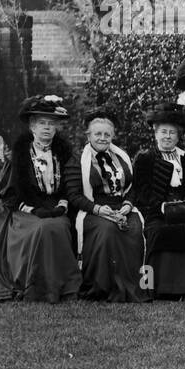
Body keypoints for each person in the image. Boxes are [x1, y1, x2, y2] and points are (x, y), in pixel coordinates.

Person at [0, 94, 81, 303]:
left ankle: (64, 286)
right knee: (41, 228)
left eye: (51, 124)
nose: (46, 128)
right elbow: (11, 195)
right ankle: (34, 286)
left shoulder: (64, 155)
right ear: (32, 127)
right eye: (41, 123)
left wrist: (62, 206)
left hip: (57, 208)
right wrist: (32, 210)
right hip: (25, 210)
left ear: (56, 127)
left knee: (55, 227)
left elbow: (70, 188)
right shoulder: (20, 156)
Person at [63, 110, 149, 302]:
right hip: (91, 210)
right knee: (108, 229)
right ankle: (103, 288)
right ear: (88, 136)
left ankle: (135, 288)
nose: (102, 138)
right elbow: (74, 196)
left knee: (135, 230)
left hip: (121, 206)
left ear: (112, 136)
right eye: (98, 134)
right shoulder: (77, 160)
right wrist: (99, 210)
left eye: (107, 135)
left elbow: (132, 187)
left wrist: (127, 205)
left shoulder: (122, 157)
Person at [131, 102, 185, 299]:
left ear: (178, 136)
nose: (167, 137)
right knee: (157, 232)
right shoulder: (145, 158)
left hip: (183, 210)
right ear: (155, 133)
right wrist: (160, 206)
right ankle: (156, 288)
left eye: (172, 133)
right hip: (155, 211)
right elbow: (142, 192)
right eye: (163, 132)